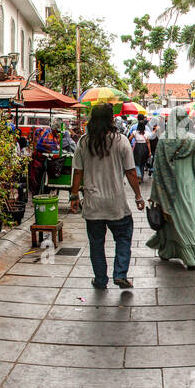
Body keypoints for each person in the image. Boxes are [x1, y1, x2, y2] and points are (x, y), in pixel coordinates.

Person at [75, 103, 144, 293]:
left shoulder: (83, 142)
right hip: (116, 203)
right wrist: (138, 196)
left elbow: (77, 172)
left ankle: (100, 279)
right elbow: (131, 172)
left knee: (96, 244)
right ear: (111, 119)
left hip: (93, 204)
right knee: (123, 237)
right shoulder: (121, 141)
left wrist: (73, 195)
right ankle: (120, 274)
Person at [147, 117, 195, 270]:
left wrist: (157, 190)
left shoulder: (164, 140)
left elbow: (156, 167)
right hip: (186, 186)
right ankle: (191, 258)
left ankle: (166, 251)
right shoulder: (192, 141)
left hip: (168, 187)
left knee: (170, 219)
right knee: (187, 219)